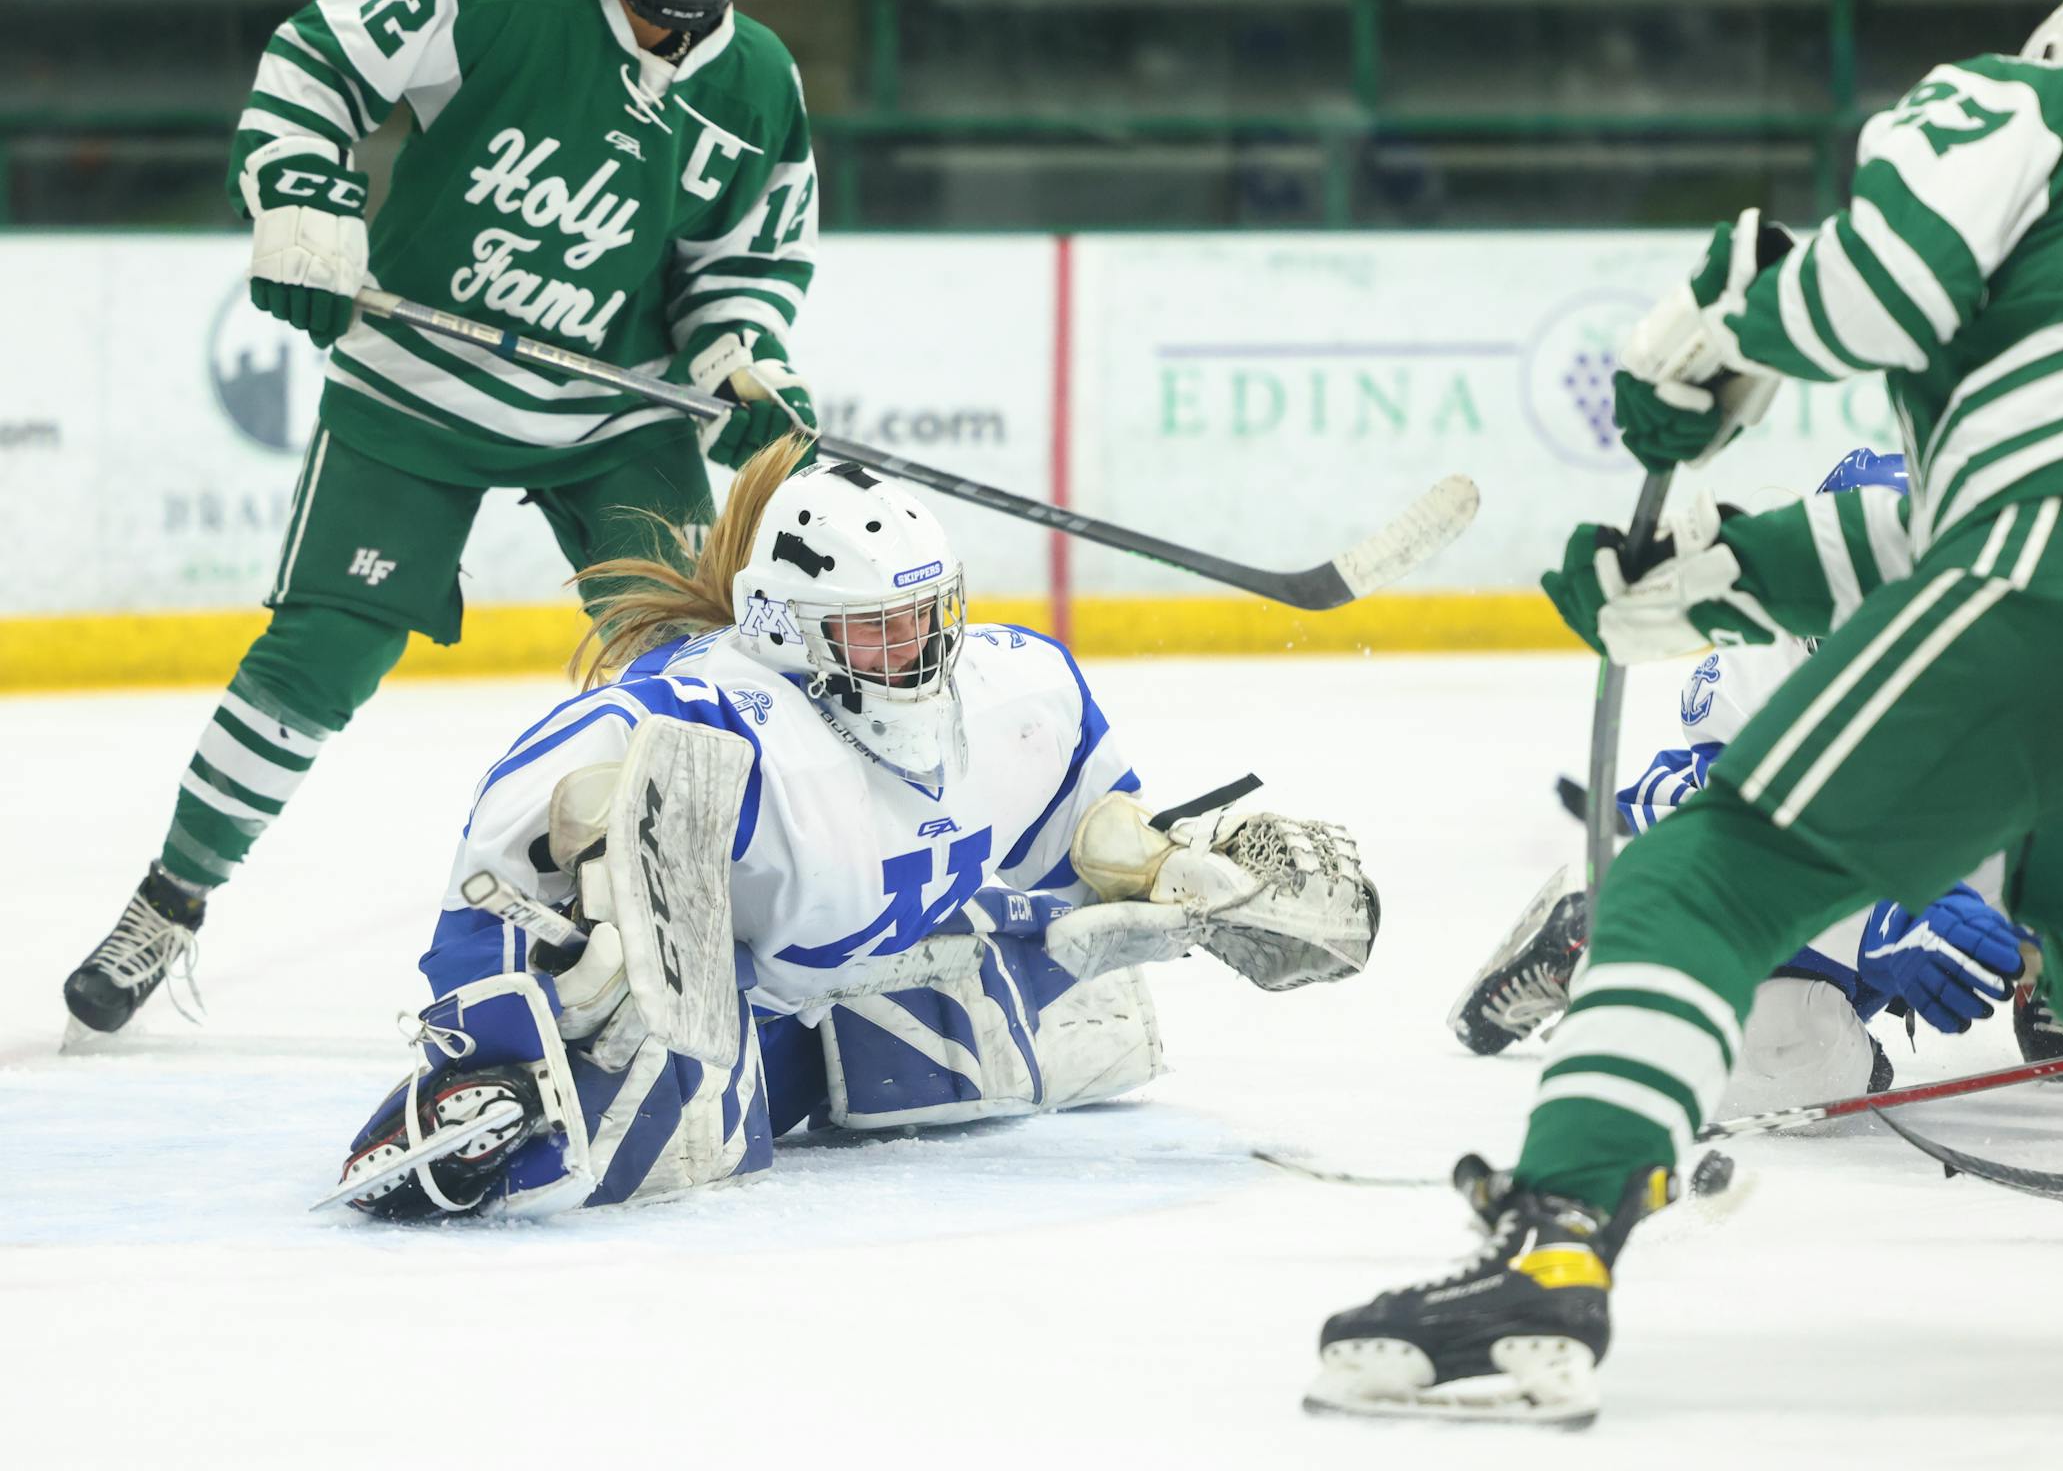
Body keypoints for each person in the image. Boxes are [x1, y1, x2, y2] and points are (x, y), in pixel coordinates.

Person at [1309, 0, 2063, 1424]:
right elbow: (1941, 531)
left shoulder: (2038, 106)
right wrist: (1718, 574)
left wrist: (1726, 323)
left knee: (1699, 883)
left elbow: (1883, 292)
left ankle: (1550, 1254)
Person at [64, 0, 821, 1038]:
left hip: (608, 416)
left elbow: (742, 259)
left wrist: (741, 356)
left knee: (697, 672)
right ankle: (172, 899)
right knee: (318, 660)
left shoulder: (758, 81)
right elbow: (315, 57)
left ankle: (722, 927)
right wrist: (305, 197)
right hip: (412, 387)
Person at [325, 437, 1381, 1218]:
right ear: (784, 626)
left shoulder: (1018, 690)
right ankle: (523, 1113)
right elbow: (496, 875)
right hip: (722, 1021)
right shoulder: (690, 722)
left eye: (930, 618)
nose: (918, 654)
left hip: (877, 981)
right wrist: (506, 1030)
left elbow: (1094, 828)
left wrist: (1182, 872)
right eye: (879, 631)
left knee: (1068, 1046)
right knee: (657, 1135)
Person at [1450, 448, 2057, 1113]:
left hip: (1923, 903)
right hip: (1752, 932)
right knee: (1799, 1055)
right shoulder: (1762, 681)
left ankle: (2056, 975)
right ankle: (1592, 939)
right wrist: (1880, 920)